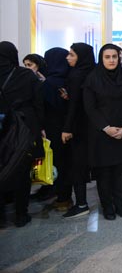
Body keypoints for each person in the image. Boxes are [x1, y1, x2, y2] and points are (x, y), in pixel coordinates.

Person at [82, 44, 122, 220]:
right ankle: (107, 207)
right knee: (104, 174)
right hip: (101, 134)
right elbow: (90, 108)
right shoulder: (92, 79)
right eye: (107, 57)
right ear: (101, 59)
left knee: (120, 172)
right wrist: (106, 128)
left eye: (114, 57)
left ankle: (119, 204)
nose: (112, 60)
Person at [0, 41, 44, 227]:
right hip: (23, 129)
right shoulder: (25, 75)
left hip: (2, 128)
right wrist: (40, 127)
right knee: (22, 172)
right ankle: (21, 215)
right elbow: (39, 103)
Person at [61, 42, 96, 218]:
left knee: (77, 166)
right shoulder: (95, 73)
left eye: (72, 54)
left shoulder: (76, 75)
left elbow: (74, 106)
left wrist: (67, 128)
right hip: (94, 126)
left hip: (79, 128)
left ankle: (81, 203)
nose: (68, 58)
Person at [34, 48, 70, 206]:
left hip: (51, 128)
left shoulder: (48, 83)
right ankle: (64, 196)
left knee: (54, 161)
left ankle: (54, 192)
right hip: (68, 127)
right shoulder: (69, 79)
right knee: (66, 163)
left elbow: (41, 107)